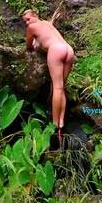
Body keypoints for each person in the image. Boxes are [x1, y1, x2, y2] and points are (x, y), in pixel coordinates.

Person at [22, 9, 75, 142]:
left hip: (56, 50)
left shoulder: (32, 28)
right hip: (68, 50)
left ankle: (55, 125)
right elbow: (42, 41)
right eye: (25, 21)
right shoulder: (46, 23)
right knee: (61, 88)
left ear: (35, 16)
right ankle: (61, 123)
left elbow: (28, 46)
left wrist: (33, 46)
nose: (27, 23)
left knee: (57, 88)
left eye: (28, 19)